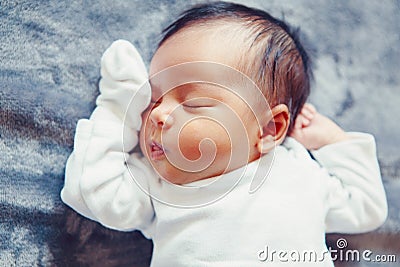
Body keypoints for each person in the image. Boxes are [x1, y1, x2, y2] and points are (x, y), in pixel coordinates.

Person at [61, 2, 387, 266]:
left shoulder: (300, 171)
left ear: (269, 129)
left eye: (192, 101)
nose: (158, 114)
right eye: (153, 99)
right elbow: (91, 192)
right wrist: (119, 107)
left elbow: (366, 208)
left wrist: (329, 140)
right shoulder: (161, 184)